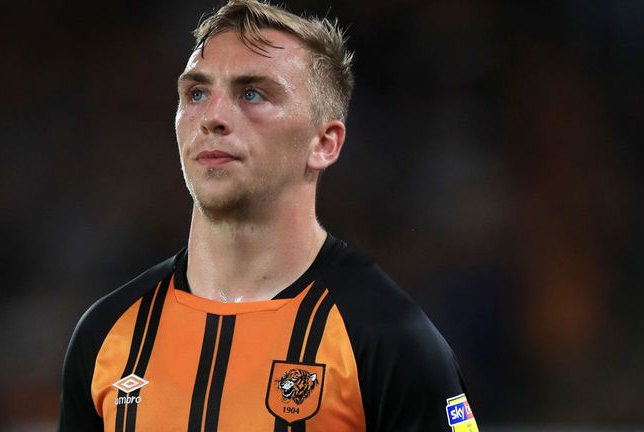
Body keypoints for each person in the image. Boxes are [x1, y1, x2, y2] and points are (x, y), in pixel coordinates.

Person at [58, 1, 479, 431]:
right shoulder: (107, 334)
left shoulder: (391, 340)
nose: (212, 117)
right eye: (196, 93)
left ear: (325, 143)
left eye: (252, 94)